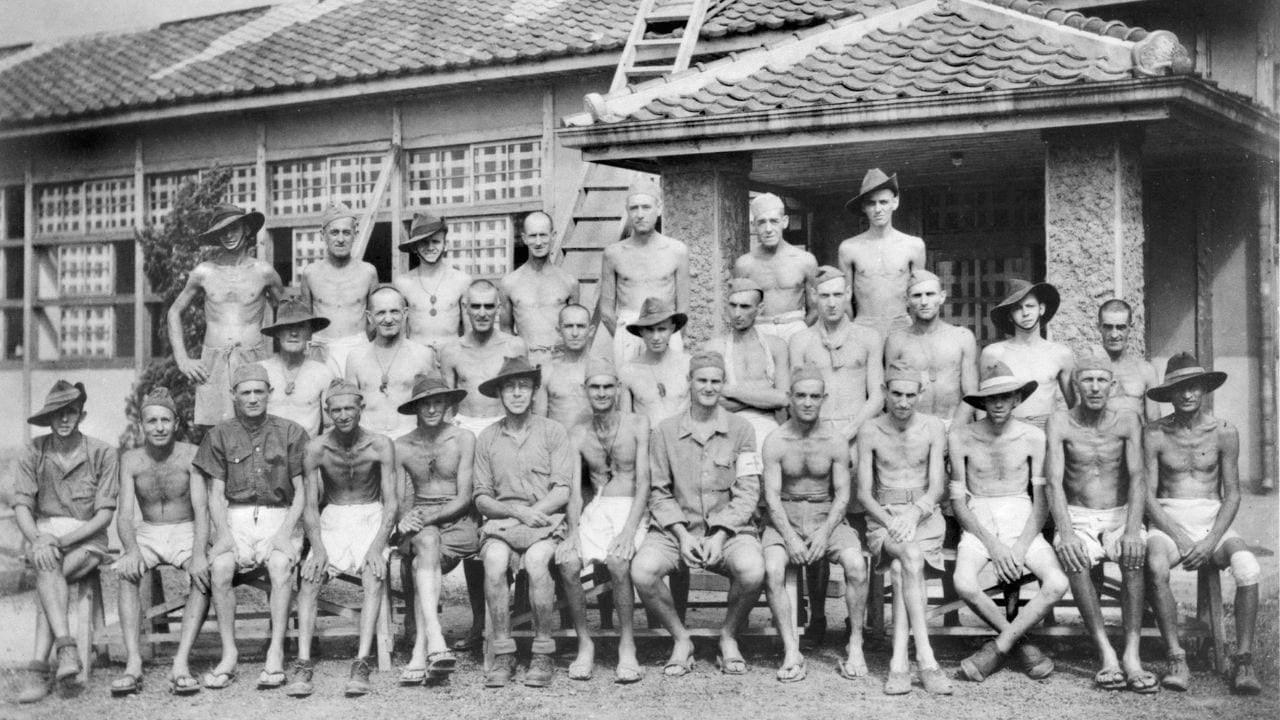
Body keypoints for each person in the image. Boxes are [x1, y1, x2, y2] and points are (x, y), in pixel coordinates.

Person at [630, 351, 765, 679]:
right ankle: (681, 639)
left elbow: (748, 492)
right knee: (643, 570)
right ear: (689, 382)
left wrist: (721, 533)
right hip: (677, 531)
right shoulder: (664, 431)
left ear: (723, 385)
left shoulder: (742, 429)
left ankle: (728, 635)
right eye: (701, 380)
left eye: (715, 381)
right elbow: (659, 492)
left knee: (752, 569)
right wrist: (682, 534)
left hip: (729, 532)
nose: (708, 387)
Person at [1142, 353, 1261, 695]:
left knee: (1248, 567)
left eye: (1194, 386)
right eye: (1179, 388)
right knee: (1155, 564)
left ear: (1205, 389)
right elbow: (1148, 495)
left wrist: (1211, 540)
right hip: (1169, 518)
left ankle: (1243, 660)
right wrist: (1178, 536)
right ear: (1169, 393)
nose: (1188, 394)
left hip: (1211, 517)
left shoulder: (1224, 431)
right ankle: (1176, 656)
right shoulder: (1155, 432)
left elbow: (1233, 494)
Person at [949, 361, 1068, 683]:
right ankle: (1020, 643)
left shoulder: (1033, 436)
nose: (999, 403)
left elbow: (1041, 499)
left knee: (1057, 582)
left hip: (1021, 514)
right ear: (983, 402)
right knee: (964, 583)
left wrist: (1019, 545)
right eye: (992, 398)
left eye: (1006, 396)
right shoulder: (962, 437)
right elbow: (959, 502)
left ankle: (998, 647)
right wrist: (995, 547)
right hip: (979, 518)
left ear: (1017, 399)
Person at [192, 363, 308, 691]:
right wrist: (224, 534)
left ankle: (275, 652)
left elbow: (302, 492)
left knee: (281, 564)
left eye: (259, 391)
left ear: (270, 393)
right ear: (233, 396)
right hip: (236, 517)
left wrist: (285, 533)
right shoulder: (219, 434)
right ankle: (229, 653)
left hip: (279, 516)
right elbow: (216, 494)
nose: (253, 398)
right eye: (246, 392)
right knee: (221, 567)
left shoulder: (292, 432)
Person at [1045, 347, 1154, 693]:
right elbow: (1053, 481)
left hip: (1120, 513)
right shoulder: (1060, 422)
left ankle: (1132, 654)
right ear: (1075, 384)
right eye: (1087, 380)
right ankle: (1106, 653)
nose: (1094, 387)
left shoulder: (1127, 421)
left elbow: (1138, 477)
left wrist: (1134, 530)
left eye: (1101, 381)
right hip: (1078, 515)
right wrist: (1066, 532)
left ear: (1112, 385)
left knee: (1135, 558)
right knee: (1073, 556)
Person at [288, 381, 397, 698]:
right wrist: (318, 547)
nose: (343, 415)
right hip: (333, 516)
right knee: (309, 577)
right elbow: (310, 504)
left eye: (349, 408)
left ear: (361, 408)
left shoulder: (380, 445)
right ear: (327, 412)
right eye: (336, 410)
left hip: (370, 515)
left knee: (374, 574)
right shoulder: (317, 448)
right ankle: (304, 661)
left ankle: (362, 660)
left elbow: (391, 502)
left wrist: (377, 546)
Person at [12, 381, 118, 703]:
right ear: (48, 418)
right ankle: (67, 650)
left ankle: (38, 670)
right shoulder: (33, 451)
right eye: (57, 413)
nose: (64, 419)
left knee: (48, 575)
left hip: (86, 538)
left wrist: (59, 541)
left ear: (81, 414)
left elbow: (103, 516)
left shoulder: (102, 452)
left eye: (70, 412)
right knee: (48, 570)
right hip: (46, 537)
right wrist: (38, 539)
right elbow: (22, 506)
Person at [472, 357, 574, 688]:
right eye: (509, 387)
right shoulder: (487, 437)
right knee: (495, 560)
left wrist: (534, 513)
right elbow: (482, 497)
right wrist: (517, 513)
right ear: (500, 393)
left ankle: (543, 651)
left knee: (537, 560)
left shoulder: (553, 431)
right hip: (504, 522)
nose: (517, 393)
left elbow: (562, 489)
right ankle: (504, 652)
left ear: (533, 392)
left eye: (524, 386)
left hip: (545, 519)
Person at [760, 366, 866, 684]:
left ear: (824, 399)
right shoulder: (775, 440)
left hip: (826, 513)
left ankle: (856, 643)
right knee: (773, 569)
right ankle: (792, 649)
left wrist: (824, 531)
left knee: (856, 564)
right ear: (790, 398)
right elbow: (772, 498)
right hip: (785, 517)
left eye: (814, 396)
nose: (807, 402)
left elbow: (843, 495)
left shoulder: (834, 440)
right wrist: (791, 537)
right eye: (801, 395)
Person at [856, 362, 952, 695]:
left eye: (911, 395)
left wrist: (913, 515)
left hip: (924, 517)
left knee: (900, 567)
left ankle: (899, 661)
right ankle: (926, 657)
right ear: (884, 392)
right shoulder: (870, 429)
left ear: (920, 394)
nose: (903, 402)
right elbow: (864, 494)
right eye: (896, 393)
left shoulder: (933, 427)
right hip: (883, 518)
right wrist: (892, 521)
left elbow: (937, 487)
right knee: (908, 556)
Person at [555, 357, 651, 684]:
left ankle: (628, 644)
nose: (601, 393)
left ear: (618, 388)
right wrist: (572, 532)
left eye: (608, 386)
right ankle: (586, 643)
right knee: (568, 563)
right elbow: (574, 490)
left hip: (630, 508)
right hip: (596, 507)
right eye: (594, 387)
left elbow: (645, 484)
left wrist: (628, 530)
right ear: (585, 390)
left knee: (619, 561)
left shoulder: (638, 424)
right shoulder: (578, 431)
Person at [111, 388, 209, 697]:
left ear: (176, 423)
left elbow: (202, 509)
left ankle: (181, 662)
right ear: (141, 425)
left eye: (166, 420)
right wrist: (130, 550)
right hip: (150, 530)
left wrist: (198, 555)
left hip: (186, 528)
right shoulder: (130, 460)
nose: (159, 427)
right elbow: (125, 515)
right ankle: (133, 662)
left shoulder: (191, 454)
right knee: (127, 574)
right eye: (151, 421)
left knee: (202, 577)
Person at [393, 375, 479, 683]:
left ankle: (422, 647)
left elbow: (465, 496)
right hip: (420, 525)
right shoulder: (401, 446)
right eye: (425, 403)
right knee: (425, 541)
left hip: (457, 521)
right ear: (415, 407)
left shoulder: (463, 438)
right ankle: (436, 643)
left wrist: (428, 519)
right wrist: (405, 520)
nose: (431, 409)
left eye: (437, 402)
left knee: (420, 559)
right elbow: (402, 501)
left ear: (447, 404)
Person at [168, 203, 284, 426]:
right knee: (217, 432)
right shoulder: (204, 272)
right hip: (213, 361)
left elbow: (288, 315)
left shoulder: (264, 272)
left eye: (234, 228)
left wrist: (283, 360)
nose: (229, 235)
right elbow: (174, 311)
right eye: (223, 231)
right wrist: (182, 360)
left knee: (257, 425)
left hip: (253, 357)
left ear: (247, 230)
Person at [596, 180, 690, 368]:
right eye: (634, 208)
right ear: (628, 211)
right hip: (627, 333)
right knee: (630, 388)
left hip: (666, 332)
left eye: (646, 207)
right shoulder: (613, 253)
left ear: (659, 208)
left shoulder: (677, 250)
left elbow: (683, 308)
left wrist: (666, 335)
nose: (640, 215)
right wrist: (627, 338)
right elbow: (606, 312)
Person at [788, 266, 884, 444]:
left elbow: (877, 395)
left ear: (848, 293)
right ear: (813, 295)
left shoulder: (868, 337)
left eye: (837, 295)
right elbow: (795, 396)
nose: (831, 303)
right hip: (815, 431)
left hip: (858, 429)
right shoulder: (800, 340)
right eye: (825, 296)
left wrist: (853, 428)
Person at [836, 169, 926, 337]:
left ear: (895, 202)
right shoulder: (849, 248)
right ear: (863, 206)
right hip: (864, 325)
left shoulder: (913, 245)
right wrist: (853, 332)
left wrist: (915, 332)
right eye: (871, 203)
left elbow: (919, 293)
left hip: (902, 324)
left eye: (883, 202)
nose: (878, 209)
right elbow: (844, 297)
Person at [884, 269, 978, 428]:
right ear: (907, 301)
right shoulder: (896, 340)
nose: (924, 302)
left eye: (930, 294)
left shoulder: (962, 336)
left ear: (942, 297)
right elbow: (891, 393)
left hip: (955, 423)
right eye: (917, 296)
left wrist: (954, 431)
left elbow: (971, 392)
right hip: (913, 427)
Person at [979, 279, 1076, 430]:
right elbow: (982, 404)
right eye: (1018, 308)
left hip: (1046, 432)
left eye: (1030, 306)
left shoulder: (1060, 354)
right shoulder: (994, 353)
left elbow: (1075, 406)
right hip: (1007, 431)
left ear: (1041, 309)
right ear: (1010, 315)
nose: (1025, 313)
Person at [440, 279, 531, 436]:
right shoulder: (451, 351)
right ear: (465, 307)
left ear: (498, 308)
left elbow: (526, 394)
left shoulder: (514, 346)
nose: (482, 314)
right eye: (476, 306)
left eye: (488, 306)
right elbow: (446, 403)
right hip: (464, 426)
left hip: (503, 426)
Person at [299, 202, 380, 377]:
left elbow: (375, 320)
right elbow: (305, 322)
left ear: (355, 235)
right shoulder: (310, 273)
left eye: (346, 232)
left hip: (358, 346)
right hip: (321, 348)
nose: (341, 239)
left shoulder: (368, 272)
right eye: (334, 232)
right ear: (323, 235)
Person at [345, 284, 435, 440]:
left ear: (405, 313)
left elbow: (434, 405)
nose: (388, 319)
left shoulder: (423, 355)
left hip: (408, 440)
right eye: (380, 313)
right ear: (369, 317)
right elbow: (349, 408)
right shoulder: (355, 357)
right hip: (368, 441)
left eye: (394, 311)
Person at [711, 278, 790, 454]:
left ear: (759, 309)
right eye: (733, 305)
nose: (737, 313)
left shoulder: (775, 346)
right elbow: (712, 401)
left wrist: (730, 391)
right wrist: (764, 397)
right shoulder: (715, 347)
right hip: (727, 427)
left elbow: (783, 399)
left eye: (745, 307)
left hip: (767, 426)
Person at [499, 211, 580, 368]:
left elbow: (575, 330)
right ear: (524, 238)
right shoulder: (509, 283)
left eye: (543, 235)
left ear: (553, 235)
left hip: (559, 363)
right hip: (525, 363)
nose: (538, 242)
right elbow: (505, 331)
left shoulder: (569, 282)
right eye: (532, 236)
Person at [733, 193, 817, 343]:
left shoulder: (805, 260)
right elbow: (738, 309)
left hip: (795, 328)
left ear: (784, 222)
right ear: (754, 225)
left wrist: (800, 330)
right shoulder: (745, 264)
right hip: (759, 329)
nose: (768, 229)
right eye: (762, 222)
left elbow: (815, 308)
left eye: (774, 221)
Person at [394, 211, 472, 349]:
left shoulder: (462, 281)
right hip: (417, 359)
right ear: (415, 247)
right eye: (424, 242)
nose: (430, 247)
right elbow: (399, 333)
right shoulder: (403, 283)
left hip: (451, 356)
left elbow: (469, 332)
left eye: (435, 241)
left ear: (445, 245)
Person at [260, 299, 337, 436]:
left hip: (306, 452)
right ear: (277, 332)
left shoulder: (322, 373)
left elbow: (329, 427)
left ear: (310, 332)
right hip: (268, 451)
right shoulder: (262, 370)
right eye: (287, 326)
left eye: (301, 326)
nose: (293, 333)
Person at [618, 296, 691, 424]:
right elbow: (626, 425)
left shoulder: (688, 364)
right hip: (648, 440)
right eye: (649, 330)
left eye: (662, 329)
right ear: (641, 331)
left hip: (682, 440)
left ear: (672, 329)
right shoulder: (629, 371)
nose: (656, 337)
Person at [1097, 299, 1160, 422]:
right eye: (1108, 327)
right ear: (1099, 327)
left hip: (1136, 439)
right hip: (1101, 440)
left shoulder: (1146, 371)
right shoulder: (1089, 371)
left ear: (1130, 328)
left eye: (1120, 327)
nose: (1114, 335)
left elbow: (1154, 423)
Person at [542, 303, 595, 434]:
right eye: (569, 326)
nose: (575, 333)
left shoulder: (600, 369)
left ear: (591, 330)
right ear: (559, 331)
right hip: (558, 447)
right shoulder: (548, 371)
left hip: (592, 447)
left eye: (581, 326)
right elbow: (539, 421)